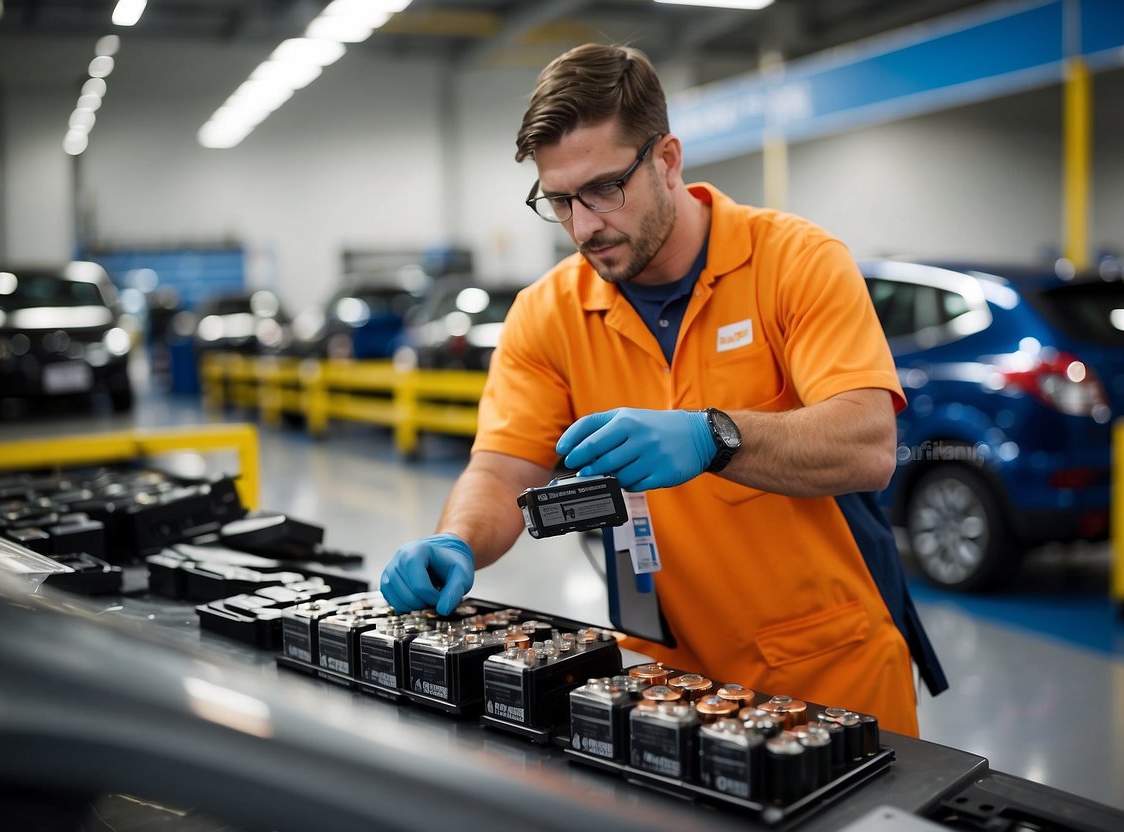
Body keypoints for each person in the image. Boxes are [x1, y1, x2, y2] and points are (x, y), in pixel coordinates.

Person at [379, 42, 947, 736]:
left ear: (667, 160)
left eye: (604, 189)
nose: (584, 225)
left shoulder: (795, 262)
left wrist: (714, 435)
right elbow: (502, 468)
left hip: (827, 675)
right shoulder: (546, 313)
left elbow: (865, 444)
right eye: (558, 201)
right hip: (660, 681)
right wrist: (458, 540)